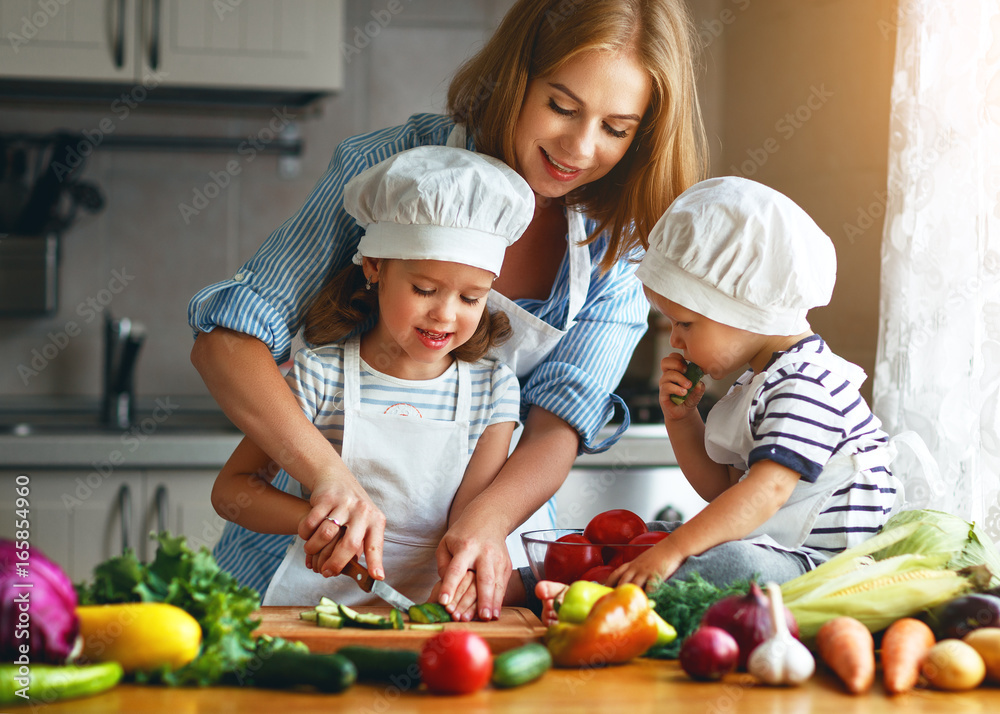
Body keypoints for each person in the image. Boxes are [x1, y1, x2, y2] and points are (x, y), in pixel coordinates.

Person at [189, 0, 707, 621]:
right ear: (517, 77)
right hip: (289, 575)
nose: (579, 146)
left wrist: (484, 524)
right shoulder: (389, 167)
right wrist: (327, 482)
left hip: (465, 577)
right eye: (561, 107)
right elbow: (228, 341)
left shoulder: (615, 246)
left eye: (617, 128)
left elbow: (555, 427)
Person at [534, 177, 905, 620]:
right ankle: (537, 583)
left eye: (685, 324)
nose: (674, 340)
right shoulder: (761, 379)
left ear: (743, 309)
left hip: (821, 569)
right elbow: (721, 490)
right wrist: (682, 419)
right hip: (776, 549)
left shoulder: (809, 384)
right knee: (643, 536)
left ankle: (596, 603)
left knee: (728, 562)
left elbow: (764, 493)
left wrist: (673, 550)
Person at [211, 146, 530, 615]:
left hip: (431, 615)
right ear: (375, 266)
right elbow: (232, 491)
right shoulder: (321, 376)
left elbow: (467, 525)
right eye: (424, 289)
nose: (444, 314)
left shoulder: (493, 391)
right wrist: (311, 520)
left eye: (471, 297)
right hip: (312, 613)